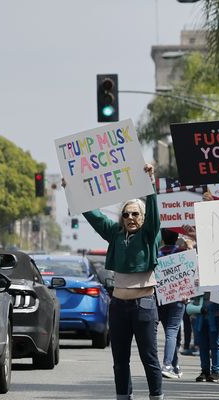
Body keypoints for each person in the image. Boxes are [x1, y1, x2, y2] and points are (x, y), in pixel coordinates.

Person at [78, 163, 164, 400]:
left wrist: (150, 181)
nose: (130, 218)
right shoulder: (115, 234)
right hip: (118, 307)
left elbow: (154, 214)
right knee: (120, 360)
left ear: (143, 217)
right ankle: (123, 397)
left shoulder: (149, 234)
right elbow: (95, 216)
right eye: (126, 214)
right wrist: (74, 190)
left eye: (135, 214)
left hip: (144, 305)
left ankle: (156, 396)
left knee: (149, 358)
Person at [157, 229, 188, 380]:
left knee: (171, 333)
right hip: (178, 298)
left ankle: (175, 365)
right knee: (172, 332)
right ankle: (168, 365)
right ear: (177, 238)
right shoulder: (182, 253)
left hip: (162, 298)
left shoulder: (157, 254)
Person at [192, 292, 219, 383]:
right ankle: (205, 371)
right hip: (201, 315)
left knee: (215, 344)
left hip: (218, 314)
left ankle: (215, 372)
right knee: (203, 345)